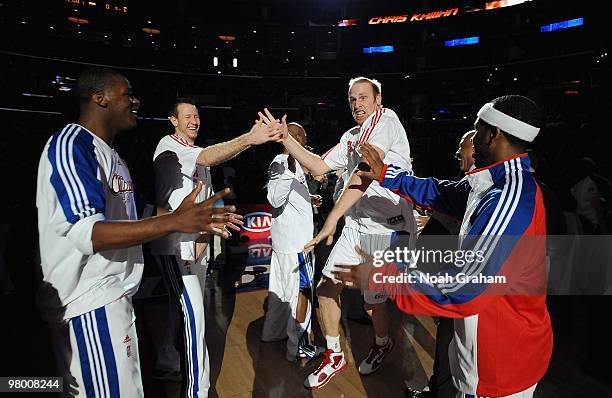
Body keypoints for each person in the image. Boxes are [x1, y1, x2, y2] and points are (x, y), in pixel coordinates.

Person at [36, 67, 240, 397]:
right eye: (127, 94)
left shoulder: (112, 155)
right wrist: (176, 223)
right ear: (99, 98)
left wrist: (191, 217)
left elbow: (141, 213)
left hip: (113, 296)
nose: (135, 100)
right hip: (88, 303)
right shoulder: (71, 144)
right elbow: (88, 232)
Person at [337, 95, 553, 398]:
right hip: (483, 348)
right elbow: (442, 193)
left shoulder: (509, 199)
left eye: (477, 132)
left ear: (494, 135)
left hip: (501, 363)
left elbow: (465, 287)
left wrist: (382, 275)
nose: (473, 140)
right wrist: (387, 175)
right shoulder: (494, 182)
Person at [260, 76, 417, 390]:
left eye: (362, 97)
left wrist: (332, 217)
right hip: (358, 227)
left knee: (374, 304)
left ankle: (383, 342)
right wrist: (285, 139)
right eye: (352, 99)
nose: (357, 104)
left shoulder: (386, 121)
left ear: (377, 100)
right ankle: (335, 354)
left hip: (387, 230)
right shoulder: (350, 136)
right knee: (326, 288)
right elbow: (318, 166)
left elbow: (364, 175)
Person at [151, 97, 283, 397]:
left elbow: (204, 201)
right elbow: (209, 158)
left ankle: (165, 358)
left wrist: (205, 238)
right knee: (195, 315)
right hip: (174, 244)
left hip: (193, 244)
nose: (194, 120)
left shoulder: (196, 152)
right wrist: (249, 139)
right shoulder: (169, 146)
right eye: (187, 116)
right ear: (174, 120)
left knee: (179, 308)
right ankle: (199, 390)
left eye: (197, 115)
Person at [406, 130, 476, 398]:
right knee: (448, 345)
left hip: (467, 289)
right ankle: (440, 390)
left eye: (465, 147)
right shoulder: (466, 187)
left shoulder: (487, 193)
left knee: (457, 347)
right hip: (453, 284)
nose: (458, 153)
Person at [262, 122, 323, 361]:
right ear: (295, 138)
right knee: (302, 293)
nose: (306, 142)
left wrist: (310, 198)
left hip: (285, 242)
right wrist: (289, 170)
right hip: (298, 244)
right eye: (304, 137)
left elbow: (288, 197)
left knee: (281, 293)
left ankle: (272, 333)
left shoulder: (291, 163)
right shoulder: (283, 162)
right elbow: (275, 199)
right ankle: (300, 346)